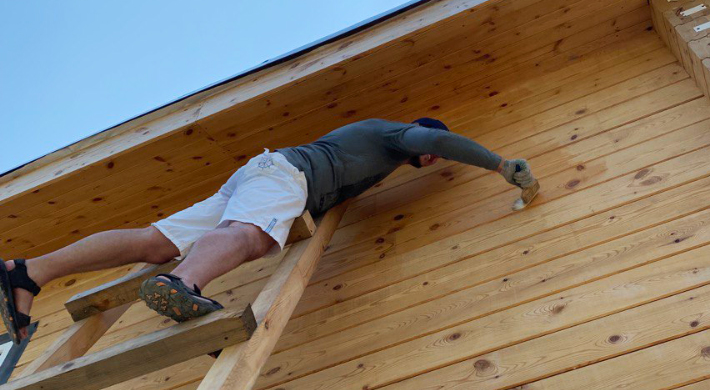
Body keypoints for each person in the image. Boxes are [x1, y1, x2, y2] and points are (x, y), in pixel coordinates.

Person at [0, 117, 536, 342]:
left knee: (154, 241)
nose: (426, 161)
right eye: (427, 155)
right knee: (253, 235)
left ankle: (27, 272)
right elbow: (433, 142)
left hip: (264, 172)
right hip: (286, 176)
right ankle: (181, 285)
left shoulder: (365, 147)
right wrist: (495, 164)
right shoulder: (399, 136)